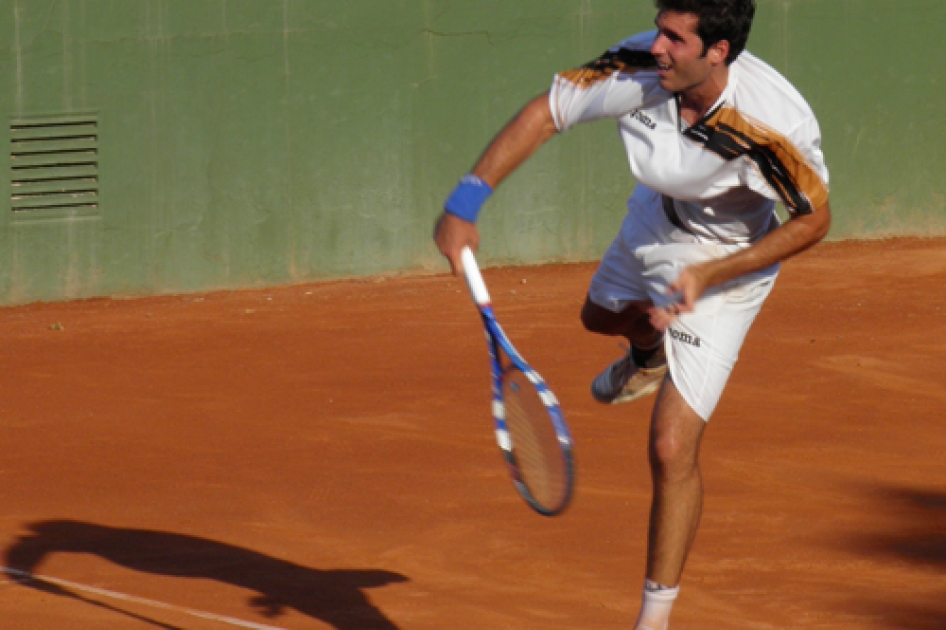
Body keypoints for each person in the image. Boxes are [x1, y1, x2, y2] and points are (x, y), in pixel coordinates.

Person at [433, 0, 830, 627]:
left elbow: (815, 219)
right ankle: (645, 352)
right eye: (660, 28)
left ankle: (653, 619)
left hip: (727, 262)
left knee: (671, 447)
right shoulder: (638, 61)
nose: (659, 45)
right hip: (654, 215)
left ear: (717, 52)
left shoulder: (771, 125)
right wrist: (464, 202)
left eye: (676, 37)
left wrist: (709, 274)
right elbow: (546, 113)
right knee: (598, 317)